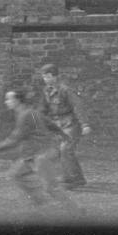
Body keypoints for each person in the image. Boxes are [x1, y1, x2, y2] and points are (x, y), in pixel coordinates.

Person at [0, 87, 75, 210]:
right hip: (34, 154)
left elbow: (16, 138)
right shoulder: (32, 112)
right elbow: (49, 124)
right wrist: (63, 135)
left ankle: (76, 212)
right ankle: (41, 203)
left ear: (17, 100)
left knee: (51, 187)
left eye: (8, 99)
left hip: (42, 154)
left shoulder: (25, 115)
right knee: (16, 174)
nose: (6, 102)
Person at [37, 62, 91, 190]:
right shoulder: (46, 91)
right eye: (44, 77)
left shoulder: (65, 90)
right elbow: (42, 109)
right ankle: (72, 177)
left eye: (48, 76)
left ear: (55, 76)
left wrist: (85, 124)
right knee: (61, 151)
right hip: (58, 126)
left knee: (65, 150)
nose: (46, 79)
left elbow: (78, 105)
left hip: (70, 124)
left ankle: (75, 180)